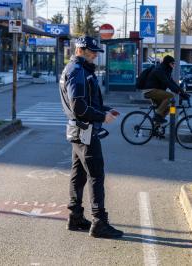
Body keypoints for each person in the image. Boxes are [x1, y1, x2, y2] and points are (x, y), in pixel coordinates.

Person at [59, 36, 123, 238]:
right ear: (80, 50)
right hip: (84, 131)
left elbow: (87, 102)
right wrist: (102, 116)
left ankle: (75, 216)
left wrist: (105, 109)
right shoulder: (77, 72)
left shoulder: (77, 70)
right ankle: (99, 222)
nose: (96, 55)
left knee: (79, 175)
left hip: (78, 130)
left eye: (96, 52)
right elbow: (79, 107)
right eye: (92, 51)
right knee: (96, 175)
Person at [143, 55, 189, 123]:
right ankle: (157, 115)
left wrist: (182, 92)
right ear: (167, 63)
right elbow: (167, 83)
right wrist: (179, 92)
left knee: (168, 109)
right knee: (169, 96)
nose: (173, 65)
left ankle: (156, 127)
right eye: (172, 63)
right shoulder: (160, 70)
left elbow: (172, 82)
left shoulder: (166, 71)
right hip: (150, 90)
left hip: (155, 90)